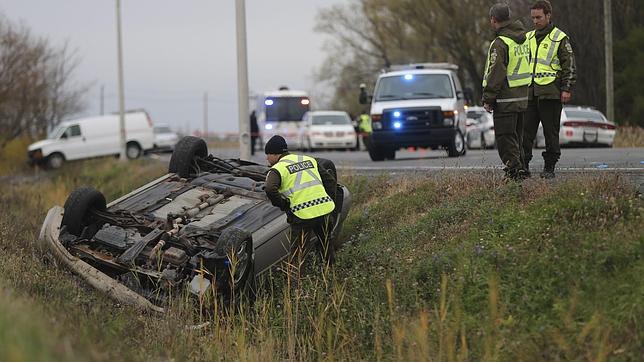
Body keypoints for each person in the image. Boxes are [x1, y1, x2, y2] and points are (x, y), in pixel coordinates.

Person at [263, 135, 337, 267]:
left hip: (302, 215)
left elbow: (269, 188)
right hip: (324, 211)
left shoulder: (277, 169)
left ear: (275, 154)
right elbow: (330, 181)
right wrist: (329, 201)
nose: (266, 158)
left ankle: (296, 284)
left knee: (298, 253)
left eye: (267, 154)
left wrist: (283, 204)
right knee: (326, 246)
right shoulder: (309, 160)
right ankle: (330, 275)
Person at [522, 0, 576, 178]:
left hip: (551, 94)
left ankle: (549, 168)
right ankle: (523, 166)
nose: (535, 21)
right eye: (533, 18)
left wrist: (566, 88)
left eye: (538, 17)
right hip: (530, 93)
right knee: (525, 133)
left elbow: (569, 65)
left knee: (550, 133)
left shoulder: (559, 38)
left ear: (548, 16)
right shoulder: (528, 38)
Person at [482, 3, 531, 181]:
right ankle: (522, 167)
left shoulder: (500, 43)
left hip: (505, 99)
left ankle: (514, 172)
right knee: (517, 137)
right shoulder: (524, 39)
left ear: (493, 20)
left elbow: (496, 73)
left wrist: (488, 97)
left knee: (505, 137)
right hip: (522, 97)